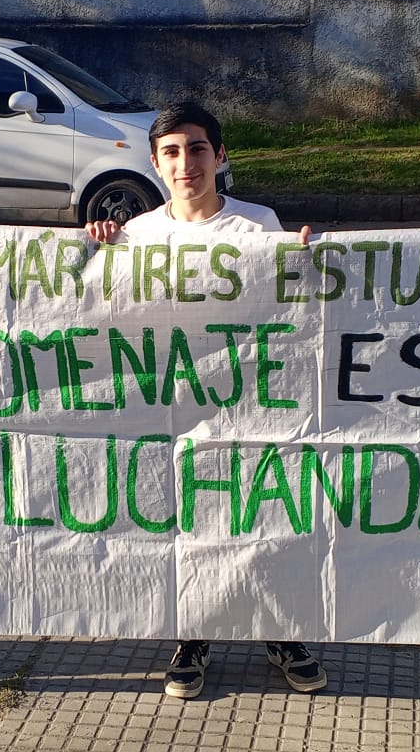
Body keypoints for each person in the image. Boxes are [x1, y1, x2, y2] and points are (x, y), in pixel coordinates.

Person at [86, 101, 323, 699]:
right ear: (155, 164)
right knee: (188, 521)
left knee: (265, 516)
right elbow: (102, 318)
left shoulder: (256, 224)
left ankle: (280, 630)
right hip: (174, 407)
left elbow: (287, 310)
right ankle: (193, 636)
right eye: (172, 152)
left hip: (252, 402)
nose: (185, 162)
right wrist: (95, 251)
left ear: (219, 156)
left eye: (196, 149)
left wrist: (308, 263)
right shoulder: (136, 236)